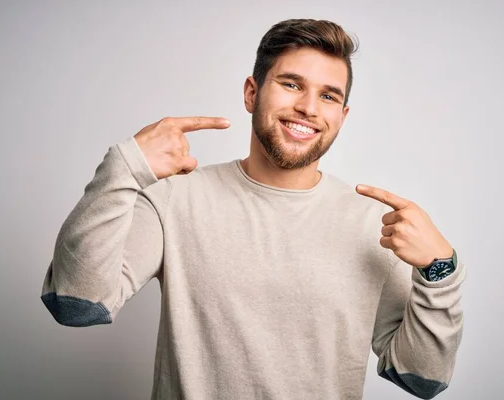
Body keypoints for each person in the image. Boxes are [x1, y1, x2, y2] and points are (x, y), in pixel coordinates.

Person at [41, 18, 466, 400]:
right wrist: (125, 168)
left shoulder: (374, 224)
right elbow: (77, 303)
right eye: (292, 84)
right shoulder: (176, 198)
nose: (309, 108)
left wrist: (440, 270)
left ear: (342, 115)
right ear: (251, 92)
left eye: (329, 96)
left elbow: (421, 379)